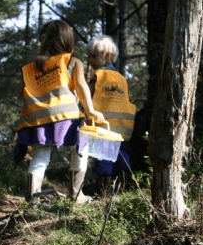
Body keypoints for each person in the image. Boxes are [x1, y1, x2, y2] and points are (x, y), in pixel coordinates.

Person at [14, 20, 105, 203]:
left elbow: (20, 91)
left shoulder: (30, 67)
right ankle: (76, 194)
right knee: (81, 147)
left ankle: (33, 198)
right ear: (67, 39)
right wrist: (91, 110)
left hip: (36, 119)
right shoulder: (71, 61)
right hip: (66, 115)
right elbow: (81, 86)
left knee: (40, 154)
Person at [86, 35, 136, 189]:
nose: (90, 60)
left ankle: (105, 188)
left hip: (104, 126)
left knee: (104, 156)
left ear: (107, 56)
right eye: (89, 56)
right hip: (122, 127)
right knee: (122, 155)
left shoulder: (98, 77)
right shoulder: (122, 78)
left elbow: (88, 98)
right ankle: (125, 185)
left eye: (94, 56)